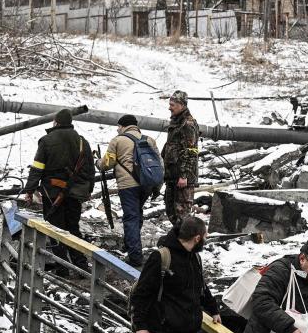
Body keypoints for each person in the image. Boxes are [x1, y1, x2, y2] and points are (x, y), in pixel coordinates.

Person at [23, 108, 95, 271]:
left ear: (56, 121)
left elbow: (37, 168)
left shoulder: (47, 140)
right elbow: (90, 169)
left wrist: (29, 190)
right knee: (73, 228)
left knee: (55, 230)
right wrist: (88, 189)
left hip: (52, 193)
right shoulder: (83, 141)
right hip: (75, 193)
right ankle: (81, 266)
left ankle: (62, 267)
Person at [101, 114, 156, 267]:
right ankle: (130, 244)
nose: (117, 129)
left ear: (124, 126)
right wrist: (156, 187)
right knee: (137, 214)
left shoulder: (117, 140)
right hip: (147, 184)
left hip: (128, 186)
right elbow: (159, 164)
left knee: (131, 217)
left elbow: (107, 163)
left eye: (118, 126)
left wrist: (98, 163)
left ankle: (135, 257)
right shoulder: (149, 139)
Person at [160, 90, 198, 226]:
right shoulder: (176, 122)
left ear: (182, 105)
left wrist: (184, 175)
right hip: (172, 176)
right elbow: (171, 147)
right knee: (171, 212)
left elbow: (191, 151)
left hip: (182, 178)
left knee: (182, 215)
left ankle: (186, 244)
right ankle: (177, 242)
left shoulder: (187, 124)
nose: (169, 107)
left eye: (172, 105)